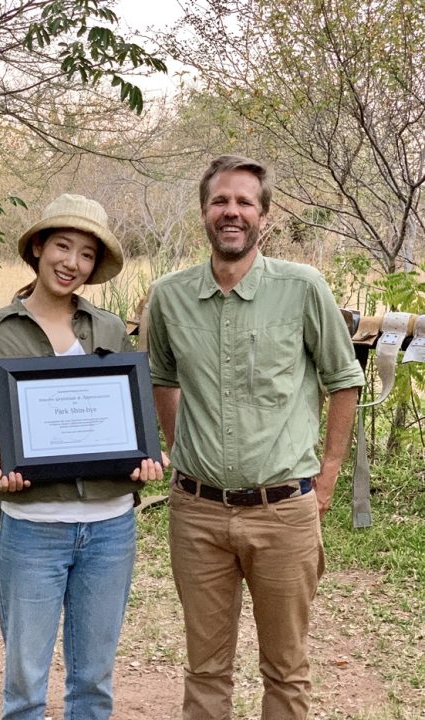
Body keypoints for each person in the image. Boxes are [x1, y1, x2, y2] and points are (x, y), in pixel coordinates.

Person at [147, 155, 365, 720]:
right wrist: (180, 450)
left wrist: (326, 481)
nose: (232, 212)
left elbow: (344, 381)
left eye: (245, 202)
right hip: (196, 514)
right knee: (205, 668)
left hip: (284, 511)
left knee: (286, 670)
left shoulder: (303, 288)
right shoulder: (168, 297)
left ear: (264, 216)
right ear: (203, 212)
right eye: (221, 201)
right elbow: (162, 379)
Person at [0, 193, 164, 720]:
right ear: (38, 248)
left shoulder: (111, 329)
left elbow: (128, 417)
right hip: (32, 529)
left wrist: (141, 459)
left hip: (110, 528)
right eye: (62, 246)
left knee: (93, 683)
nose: (72, 262)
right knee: (26, 687)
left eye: (87, 254)